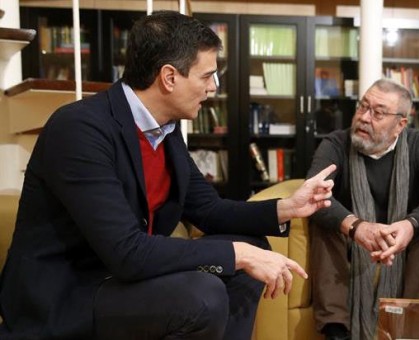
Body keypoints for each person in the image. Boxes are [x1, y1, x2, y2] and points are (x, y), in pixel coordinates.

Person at [0, 11, 336, 340]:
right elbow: (127, 253)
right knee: (204, 294)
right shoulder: (80, 129)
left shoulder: (164, 130)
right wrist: (237, 255)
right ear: (169, 77)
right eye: (207, 76)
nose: (213, 88)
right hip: (69, 295)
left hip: (120, 280)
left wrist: (288, 207)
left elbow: (209, 211)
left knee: (251, 247)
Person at [306, 78, 419, 340]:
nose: (364, 118)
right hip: (352, 241)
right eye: (363, 107)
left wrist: (410, 225)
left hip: (403, 244)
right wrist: (355, 227)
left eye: (378, 113)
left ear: (400, 124)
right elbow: (314, 192)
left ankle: (415, 328)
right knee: (323, 218)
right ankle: (336, 331)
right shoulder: (336, 144)